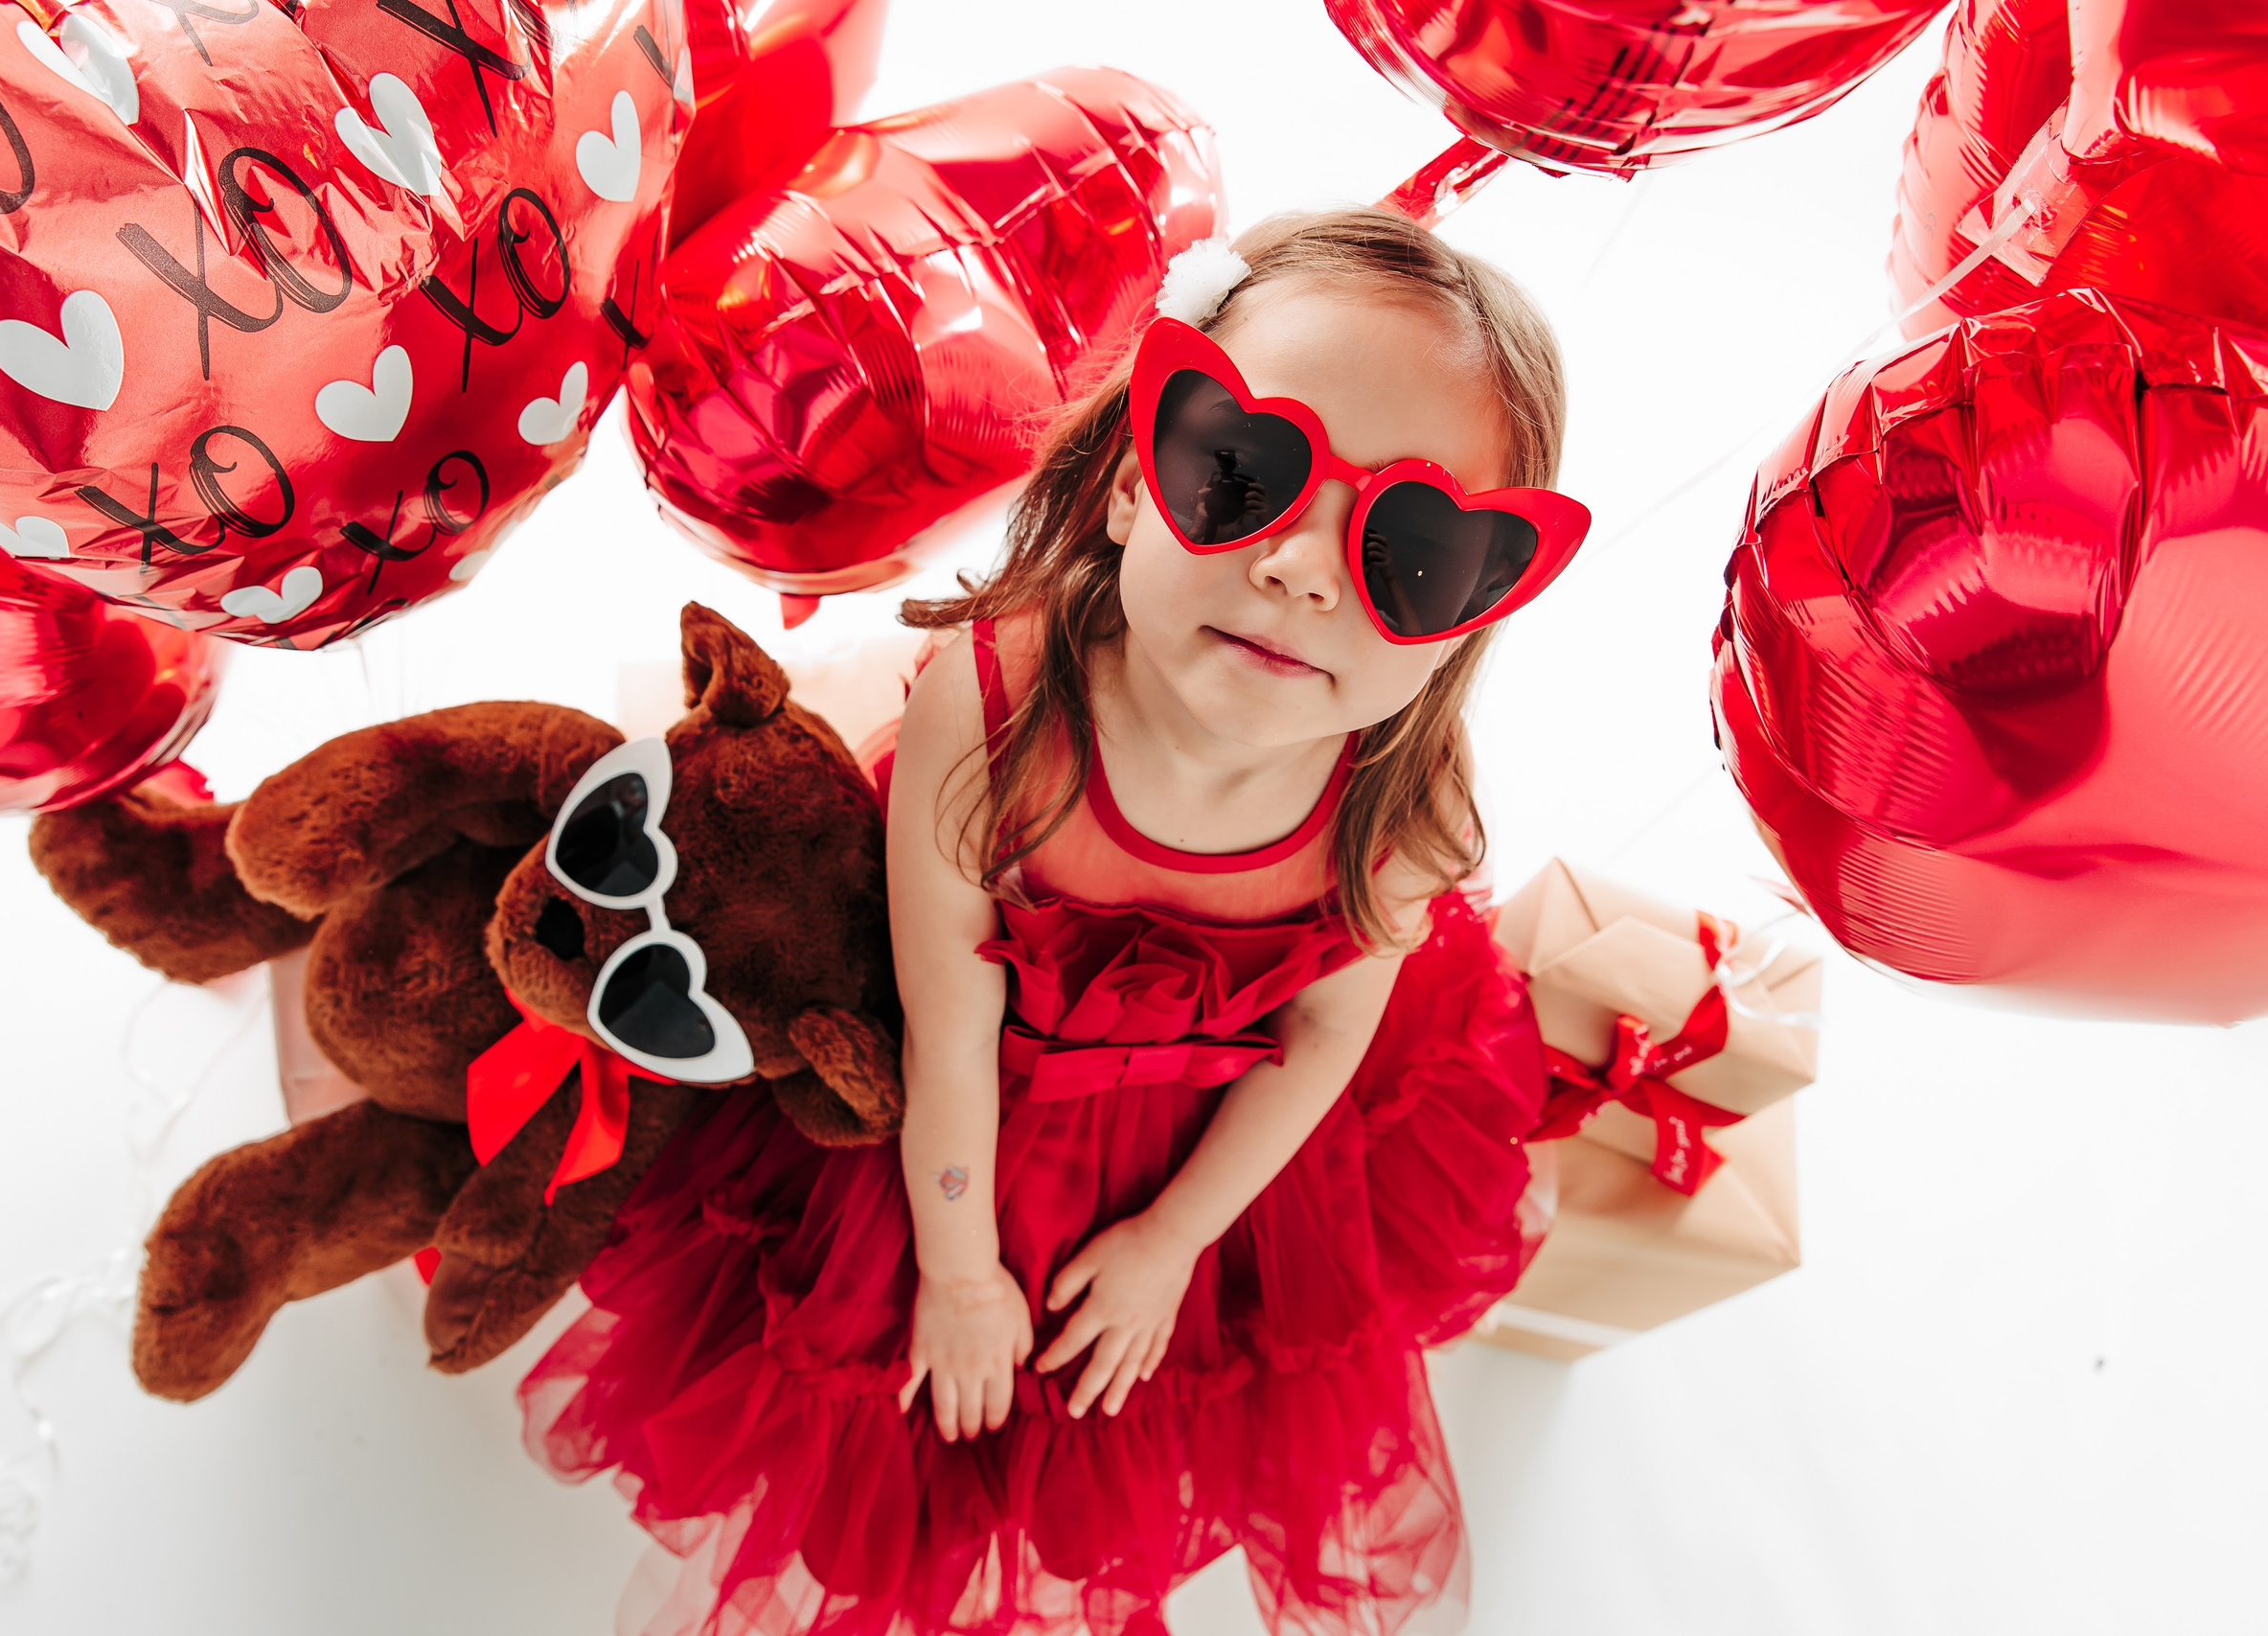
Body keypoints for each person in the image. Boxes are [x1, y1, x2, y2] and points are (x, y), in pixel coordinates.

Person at [521, 208, 1589, 1636]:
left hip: (1201, 1153)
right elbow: (949, 1032)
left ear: (1471, 616)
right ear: (1132, 482)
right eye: (1244, 471)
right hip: (948, 1122)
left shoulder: (1398, 821)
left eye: (1413, 550)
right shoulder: (999, 715)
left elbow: (1322, 1045)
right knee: (903, 1392)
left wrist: (1174, 1242)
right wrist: (960, 1279)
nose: (1303, 571)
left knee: (1138, 1396)